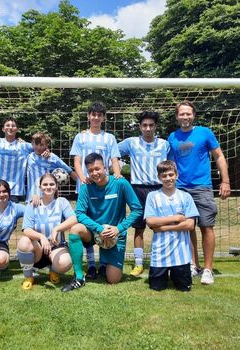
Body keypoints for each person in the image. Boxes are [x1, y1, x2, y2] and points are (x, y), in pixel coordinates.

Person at [168, 101, 231, 285]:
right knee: (187, 227)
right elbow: (171, 164)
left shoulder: (205, 132)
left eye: (188, 114)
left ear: (193, 115)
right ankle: (193, 265)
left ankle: (208, 269)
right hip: (180, 188)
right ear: (177, 116)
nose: (185, 117)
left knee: (206, 226)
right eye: (182, 114)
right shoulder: (172, 137)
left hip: (202, 186)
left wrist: (225, 181)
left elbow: (219, 156)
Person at [61, 153, 143, 292]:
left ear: (105, 167)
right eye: (91, 170)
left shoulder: (120, 183)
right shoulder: (86, 187)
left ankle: (105, 263)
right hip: (94, 232)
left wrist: (119, 228)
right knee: (75, 229)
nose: (94, 173)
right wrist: (98, 228)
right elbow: (79, 213)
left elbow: (137, 210)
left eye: (97, 168)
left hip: (114, 235)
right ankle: (79, 277)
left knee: (113, 279)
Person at [70, 101, 122, 279]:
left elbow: (114, 159)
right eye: (93, 114)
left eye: (99, 115)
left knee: (104, 221)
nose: (96, 117)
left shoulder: (109, 138)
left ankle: (104, 263)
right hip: (86, 186)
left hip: (103, 186)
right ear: (88, 116)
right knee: (87, 225)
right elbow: (77, 160)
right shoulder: (80, 137)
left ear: (103, 118)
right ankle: (91, 263)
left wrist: (117, 176)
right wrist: (81, 177)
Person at [118, 111, 170, 276]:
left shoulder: (164, 144)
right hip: (137, 189)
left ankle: (160, 261)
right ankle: (138, 264)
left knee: (159, 227)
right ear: (140, 127)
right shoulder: (131, 143)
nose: (148, 128)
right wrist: (117, 171)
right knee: (139, 228)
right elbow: (111, 152)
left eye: (151, 125)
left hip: (158, 189)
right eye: (144, 125)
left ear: (156, 126)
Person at [144, 160, 199, 291]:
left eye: (170, 174)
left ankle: (182, 273)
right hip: (160, 253)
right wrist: (177, 218)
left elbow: (190, 225)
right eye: (164, 176)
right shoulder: (152, 196)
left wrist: (163, 227)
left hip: (181, 255)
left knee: (184, 288)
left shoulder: (185, 197)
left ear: (176, 175)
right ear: (159, 178)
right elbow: (150, 222)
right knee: (156, 288)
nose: (168, 178)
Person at [18, 173, 76, 289]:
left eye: (51, 184)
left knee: (65, 262)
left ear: (56, 187)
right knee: (24, 242)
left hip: (56, 247)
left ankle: (53, 270)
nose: (48, 187)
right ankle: (28, 276)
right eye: (45, 184)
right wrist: (41, 237)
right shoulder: (33, 204)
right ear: (40, 187)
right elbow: (26, 229)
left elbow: (73, 219)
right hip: (38, 249)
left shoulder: (62, 202)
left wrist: (57, 229)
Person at [0, 118, 36, 202]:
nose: (10, 127)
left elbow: (40, 148)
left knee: (11, 215)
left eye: (13, 126)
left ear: (17, 129)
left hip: (14, 190)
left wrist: (46, 151)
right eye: (7, 125)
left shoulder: (24, 146)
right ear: (3, 129)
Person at [26, 132, 77, 201]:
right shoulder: (29, 156)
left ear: (46, 145)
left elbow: (69, 171)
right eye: (36, 144)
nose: (38, 147)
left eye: (41, 145)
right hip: (32, 197)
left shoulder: (52, 157)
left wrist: (81, 183)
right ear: (32, 144)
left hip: (49, 197)